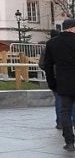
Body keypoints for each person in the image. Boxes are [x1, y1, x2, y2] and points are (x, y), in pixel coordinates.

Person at [43, 18, 75, 151]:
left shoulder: (52, 43)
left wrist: (51, 83)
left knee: (65, 112)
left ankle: (69, 142)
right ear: (73, 28)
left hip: (63, 83)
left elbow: (48, 65)